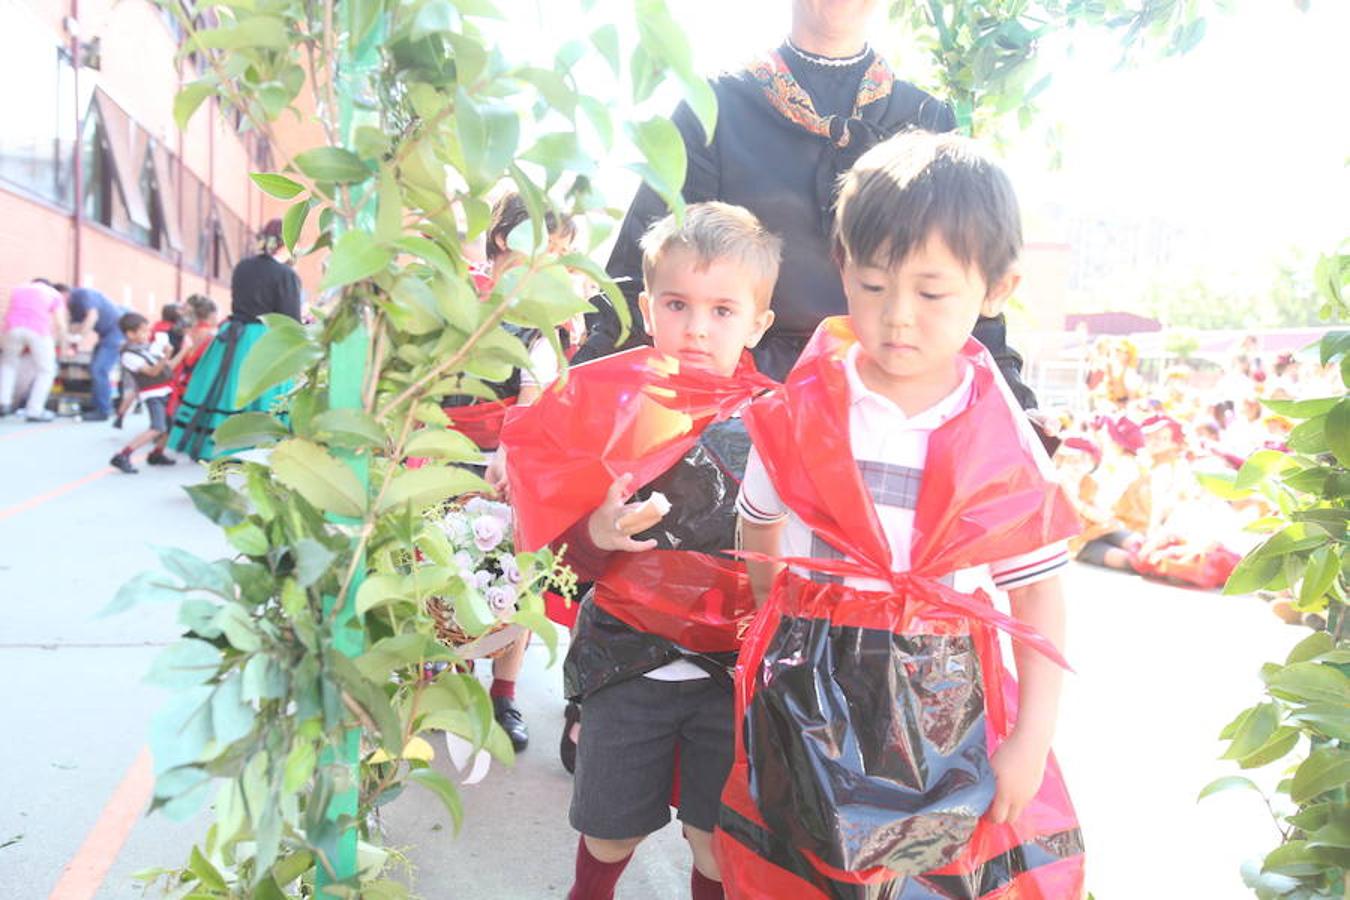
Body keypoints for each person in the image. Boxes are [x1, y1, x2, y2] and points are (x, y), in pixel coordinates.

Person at [719, 132, 1083, 897]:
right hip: (812, 685)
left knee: (934, 869)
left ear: (996, 289)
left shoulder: (999, 437)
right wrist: (772, 611)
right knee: (805, 860)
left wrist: (1030, 737)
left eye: (931, 291)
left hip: (946, 699)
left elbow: (1038, 593)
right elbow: (758, 525)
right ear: (842, 269)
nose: (898, 319)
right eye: (875, 286)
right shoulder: (800, 411)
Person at [502, 202, 781, 900]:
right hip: (628, 662)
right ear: (647, 306)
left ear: (758, 322)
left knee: (716, 844)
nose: (697, 327)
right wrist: (595, 535)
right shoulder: (602, 403)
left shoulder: (785, 420)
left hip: (735, 670)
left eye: (723, 310)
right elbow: (558, 554)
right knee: (608, 830)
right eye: (679, 304)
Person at [576, 0, 1036, 411]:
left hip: (883, 400)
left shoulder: (927, 120)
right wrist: (570, 404)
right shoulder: (712, 108)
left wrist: (1015, 408)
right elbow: (642, 273)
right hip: (736, 406)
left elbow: (963, 282)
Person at [437, 191, 578, 754]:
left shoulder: (544, 321)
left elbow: (534, 392)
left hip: (509, 466)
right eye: (541, 247)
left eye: (560, 253)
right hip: (442, 460)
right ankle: (445, 689)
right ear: (501, 240)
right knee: (445, 576)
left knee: (516, 583)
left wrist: (510, 447)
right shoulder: (454, 301)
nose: (549, 263)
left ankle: (503, 694)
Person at [168, 219, 301, 460]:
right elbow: (289, 320)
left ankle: (221, 446)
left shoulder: (242, 267)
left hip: (232, 337)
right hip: (263, 337)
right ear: (286, 242)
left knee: (227, 392)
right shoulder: (286, 274)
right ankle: (264, 451)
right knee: (268, 395)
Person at [109, 312, 195, 473]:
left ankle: (157, 453)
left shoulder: (147, 348)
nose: (148, 335)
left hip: (166, 391)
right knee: (157, 427)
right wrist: (166, 355)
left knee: (170, 425)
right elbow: (153, 372)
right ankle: (123, 455)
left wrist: (184, 350)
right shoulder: (129, 354)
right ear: (130, 334)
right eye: (143, 331)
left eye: (148, 331)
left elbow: (168, 367)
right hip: (153, 394)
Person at [0, 277, 66, 421]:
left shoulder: (18, 288)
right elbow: (60, 323)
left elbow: (7, 312)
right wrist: (62, 343)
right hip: (38, 330)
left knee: (8, 365)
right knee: (47, 370)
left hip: (11, 328)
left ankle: (3, 403)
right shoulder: (53, 293)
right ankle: (35, 410)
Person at [59, 283, 127, 421]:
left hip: (116, 332)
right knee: (95, 369)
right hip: (106, 335)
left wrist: (79, 337)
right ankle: (98, 405)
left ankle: (103, 410)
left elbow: (92, 316)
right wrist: (70, 344)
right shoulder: (73, 307)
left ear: (65, 293)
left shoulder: (83, 294)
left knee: (99, 369)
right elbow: (74, 326)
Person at [167, 295, 219, 419]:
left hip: (182, 386)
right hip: (202, 388)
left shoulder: (188, 333)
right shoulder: (214, 336)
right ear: (212, 314)